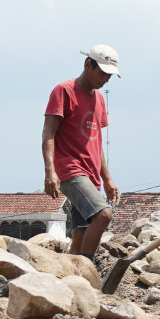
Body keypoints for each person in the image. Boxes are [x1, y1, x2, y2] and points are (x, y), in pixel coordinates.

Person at [43, 44, 121, 260]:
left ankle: (72, 279)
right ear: (88, 64)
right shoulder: (64, 91)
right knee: (104, 215)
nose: (105, 79)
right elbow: (48, 133)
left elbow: (96, 143)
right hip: (70, 170)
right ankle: (87, 269)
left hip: (91, 175)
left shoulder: (99, 99)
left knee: (80, 234)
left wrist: (107, 179)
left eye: (110, 76)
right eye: (103, 73)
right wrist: (50, 172)